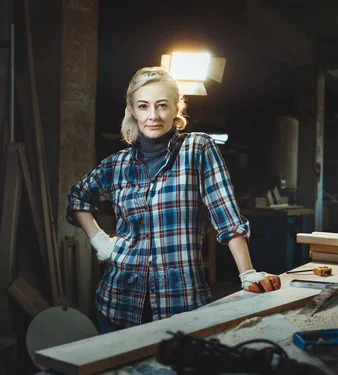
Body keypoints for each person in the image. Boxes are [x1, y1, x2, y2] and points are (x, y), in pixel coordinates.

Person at [65, 66, 281, 333]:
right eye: (143, 106)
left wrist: (247, 273)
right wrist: (99, 240)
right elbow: (78, 198)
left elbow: (226, 215)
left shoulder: (197, 149)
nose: (153, 116)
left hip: (181, 305)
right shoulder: (116, 165)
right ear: (132, 110)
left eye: (162, 105)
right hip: (117, 304)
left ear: (177, 108)